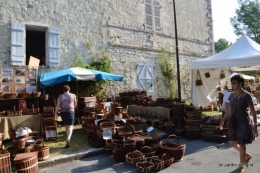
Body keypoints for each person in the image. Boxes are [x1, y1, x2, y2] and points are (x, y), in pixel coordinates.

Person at [219, 75, 258, 173]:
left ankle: (241, 166)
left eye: (234, 83)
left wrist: (255, 126)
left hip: (244, 123)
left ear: (240, 83)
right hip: (233, 123)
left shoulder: (247, 95)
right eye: (231, 83)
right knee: (232, 143)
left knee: (242, 145)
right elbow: (229, 110)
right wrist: (222, 120)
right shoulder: (231, 96)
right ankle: (247, 155)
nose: (232, 85)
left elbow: (253, 112)